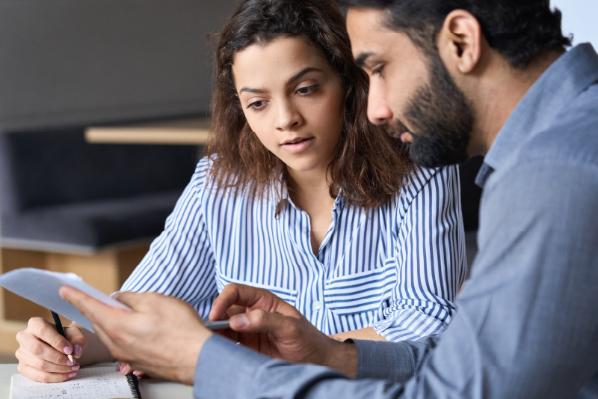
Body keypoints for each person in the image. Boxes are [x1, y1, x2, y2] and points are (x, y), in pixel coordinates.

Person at [60, 0, 598, 397]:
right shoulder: (562, 148)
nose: (378, 108)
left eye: (379, 68)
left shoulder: (554, 173)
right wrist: (331, 354)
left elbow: (453, 389)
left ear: (461, 40)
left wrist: (205, 359)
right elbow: (472, 365)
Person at [14, 0, 468, 384]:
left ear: (348, 85)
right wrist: (68, 343)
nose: (285, 119)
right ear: (241, 110)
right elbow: (142, 309)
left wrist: (308, 353)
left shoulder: (420, 171)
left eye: (306, 89)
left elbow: (430, 328)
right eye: (258, 102)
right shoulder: (218, 183)